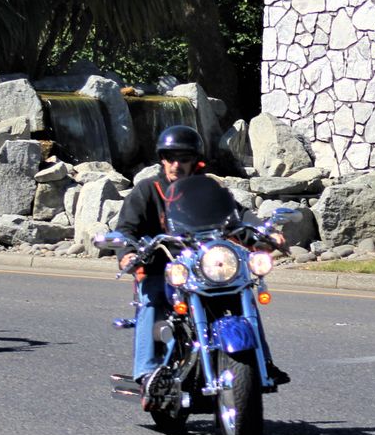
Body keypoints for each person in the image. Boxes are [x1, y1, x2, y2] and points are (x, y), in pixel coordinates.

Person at [115, 124, 290, 410]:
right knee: (152, 299)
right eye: (170, 157)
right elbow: (126, 228)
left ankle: (263, 363)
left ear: (194, 161)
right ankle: (147, 373)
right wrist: (127, 250)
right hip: (164, 267)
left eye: (182, 158)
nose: (175, 164)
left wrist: (264, 231)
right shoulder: (149, 189)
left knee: (242, 290)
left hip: (206, 267)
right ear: (161, 159)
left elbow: (236, 216)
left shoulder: (207, 188)